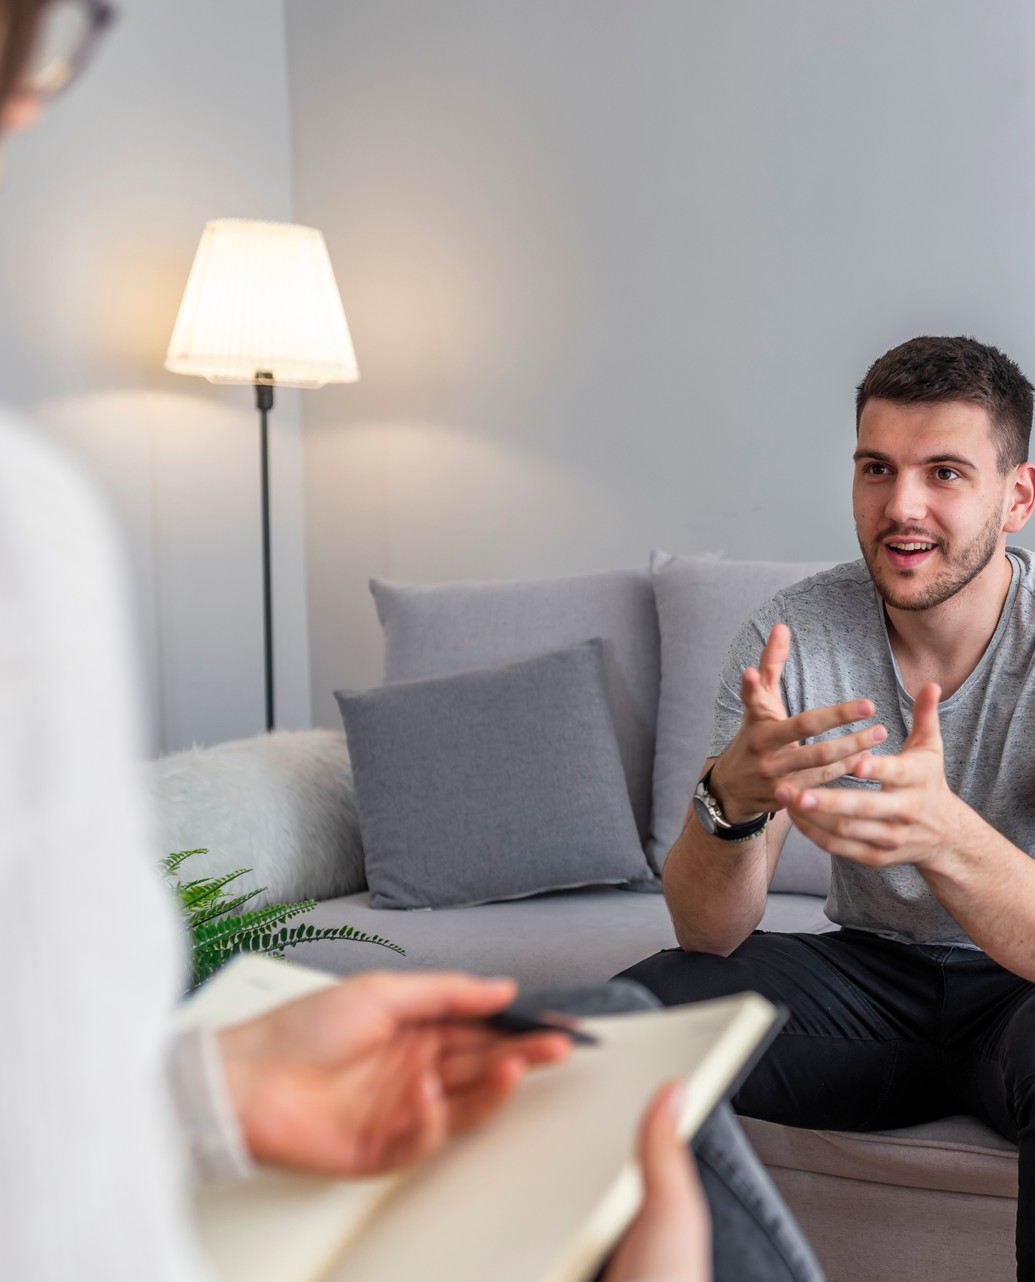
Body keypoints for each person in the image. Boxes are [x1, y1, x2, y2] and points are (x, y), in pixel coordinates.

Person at [0, 5, 817, 1280]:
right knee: (633, 1033)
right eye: (55, 36)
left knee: (595, 1022)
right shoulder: (26, 535)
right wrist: (731, 797)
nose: (35, 100)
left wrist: (201, 1096)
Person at [620, 336, 1035, 1281]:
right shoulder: (788, 638)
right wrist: (733, 799)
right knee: (626, 1026)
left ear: (1018, 496)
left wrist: (943, 830)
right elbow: (709, 934)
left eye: (945, 473)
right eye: (876, 469)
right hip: (877, 982)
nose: (901, 507)